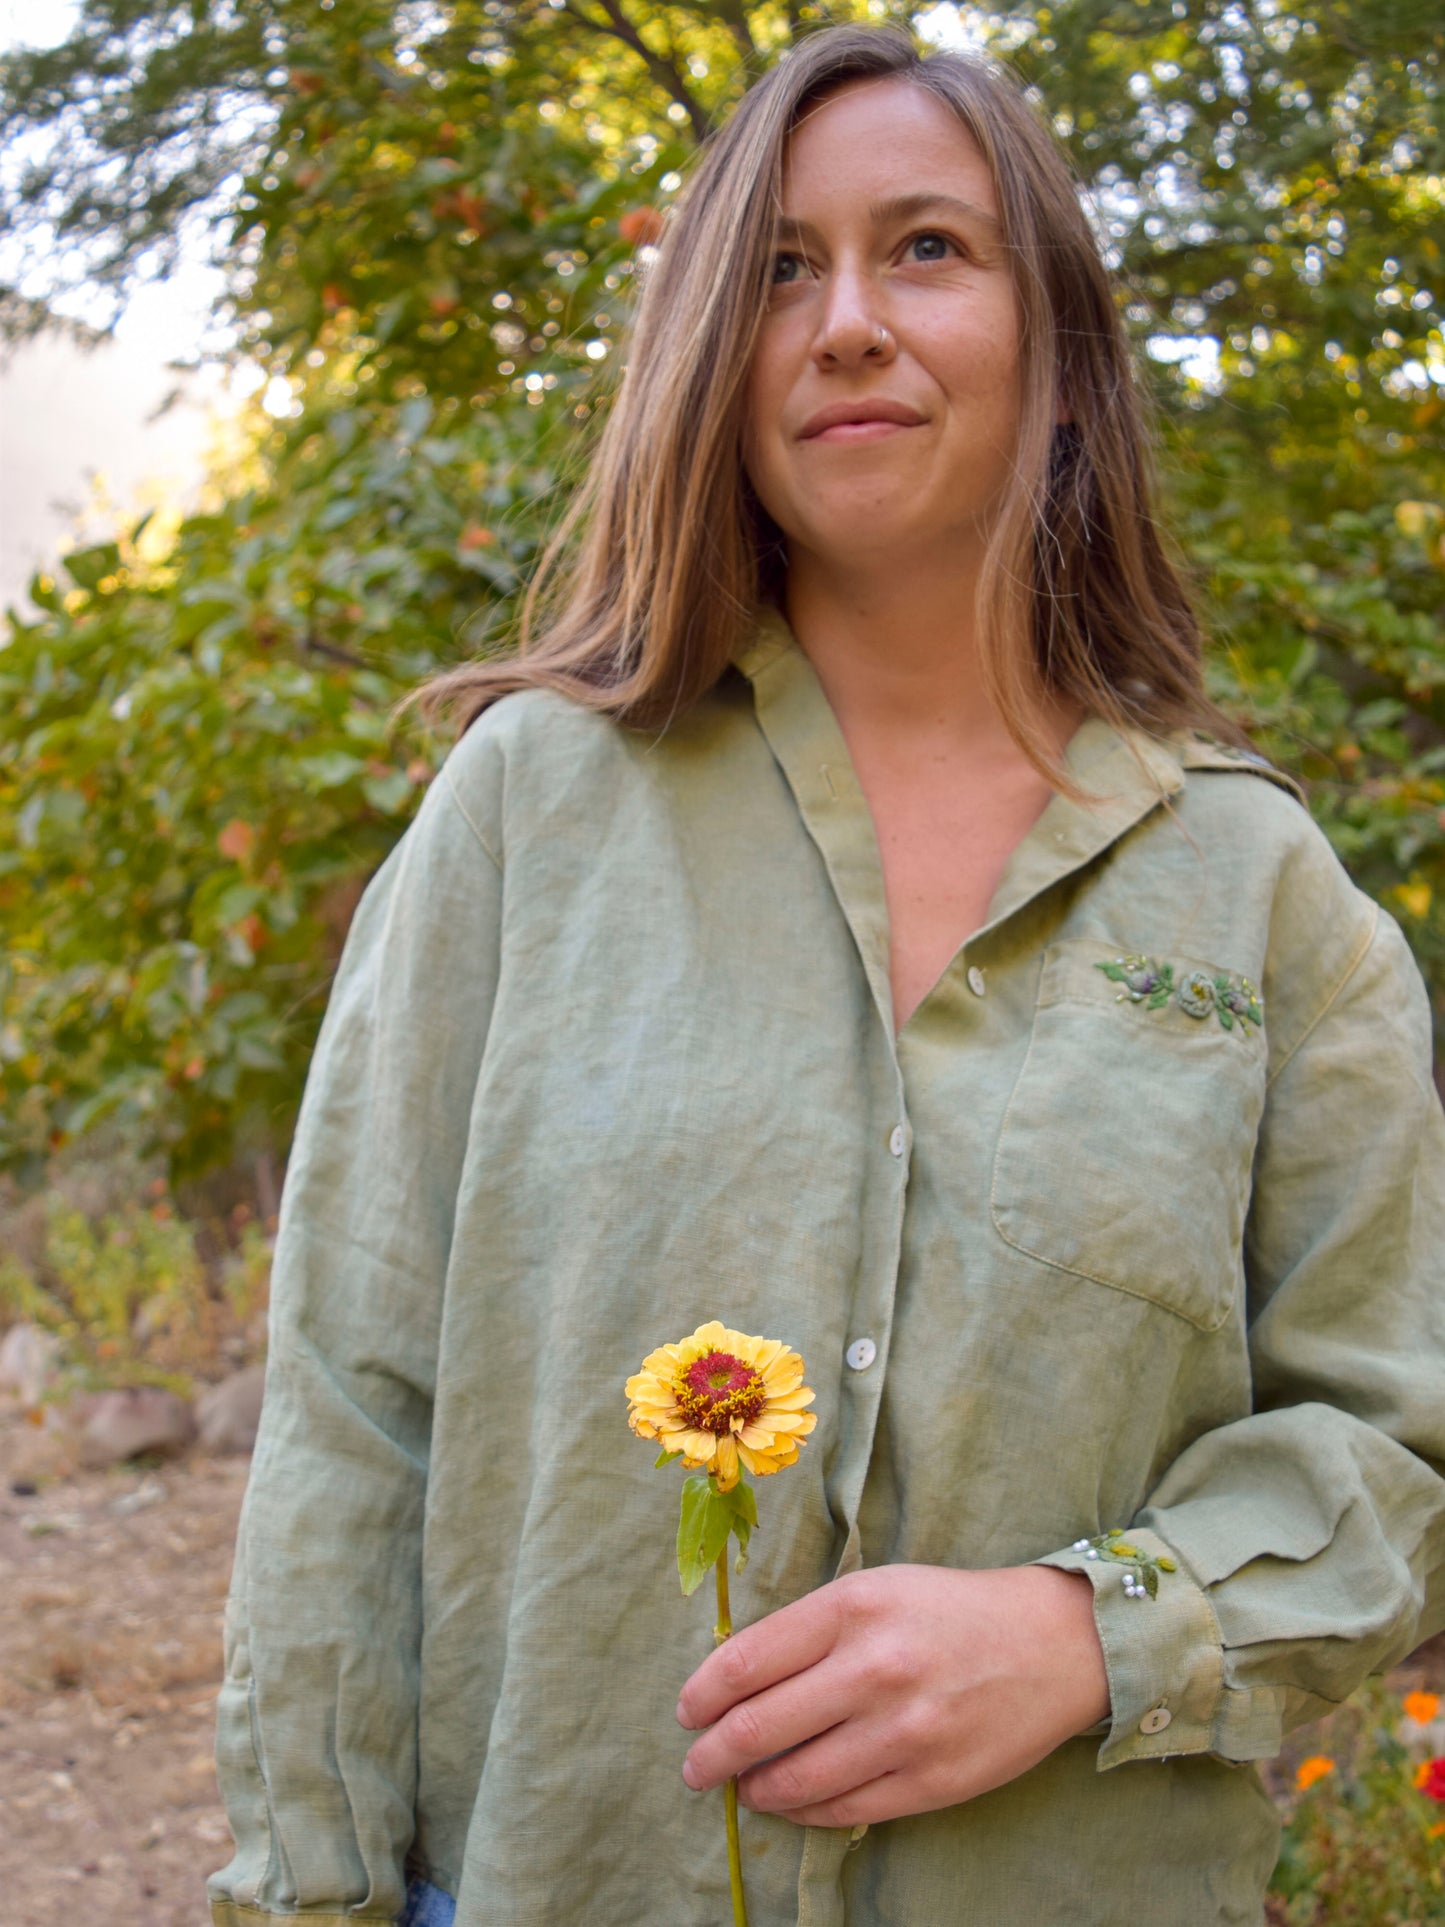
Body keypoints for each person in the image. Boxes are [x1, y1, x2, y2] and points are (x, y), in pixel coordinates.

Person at [207, 23, 1445, 1927]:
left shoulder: (1259, 899)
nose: (847, 319)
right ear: (717, 354)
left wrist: (1080, 1638)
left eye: (927, 249)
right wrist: (303, 1895)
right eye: (780, 267)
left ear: (1059, 352)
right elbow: (352, 1414)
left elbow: (1394, 1454)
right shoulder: (526, 816)